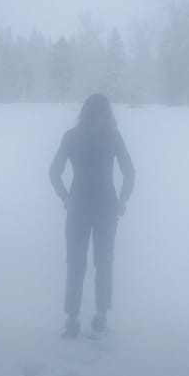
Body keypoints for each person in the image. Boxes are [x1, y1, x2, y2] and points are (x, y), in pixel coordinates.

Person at [49, 93, 135, 338]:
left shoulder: (104, 138)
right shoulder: (83, 137)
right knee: (82, 263)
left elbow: (129, 171)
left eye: (102, 114)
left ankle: (98, 316)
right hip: (85, 209)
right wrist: (65, 197)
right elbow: (54, 171)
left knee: (99, 263)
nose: (100, 119)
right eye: (98, 114)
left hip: (101, 209)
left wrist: (123, 199)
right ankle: (75, 319)